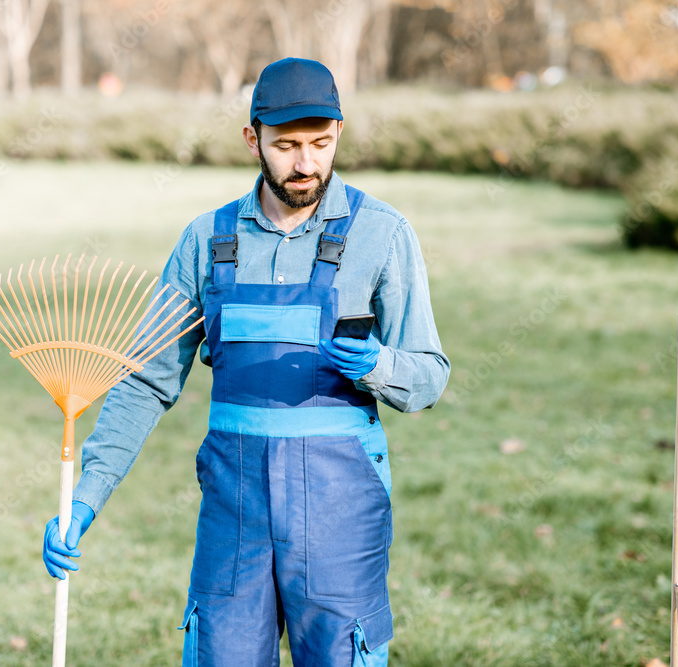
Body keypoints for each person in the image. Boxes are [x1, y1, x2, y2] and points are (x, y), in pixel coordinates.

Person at [42, 57, 450, 666]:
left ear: (340, 132)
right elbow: (147, 380)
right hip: (236, 516)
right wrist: (86, 497)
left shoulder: (383, 235)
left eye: (321, 143)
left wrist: (376, 365)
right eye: (286, 146)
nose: (306, 164)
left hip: (340, 512)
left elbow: (428, 377)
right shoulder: (207, 240)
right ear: (252, 138)